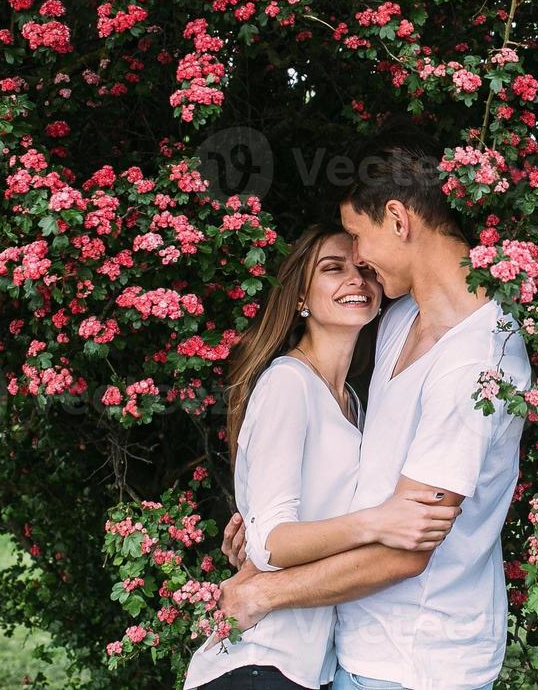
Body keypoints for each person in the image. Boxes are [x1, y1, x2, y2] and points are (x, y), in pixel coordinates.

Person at [216, 129, 533, 690]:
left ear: (398, 219)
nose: (357, 259)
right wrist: (268, 540)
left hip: (418, 666)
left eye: (359, 238)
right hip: (352, 650)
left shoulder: (477, 360)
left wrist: (265, 588)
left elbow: (406, 552)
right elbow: (351, 469)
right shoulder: (399, 321)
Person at [184, 221, 462, 690]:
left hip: (311, 665)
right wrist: (377, 522)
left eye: (364, 269)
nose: (357, 280)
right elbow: (271, 542)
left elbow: (267, 541)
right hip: (258, 662)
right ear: (301, 298)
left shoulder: (353, 399)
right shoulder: (288, 384)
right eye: (333, 269)